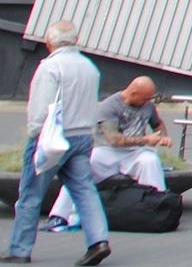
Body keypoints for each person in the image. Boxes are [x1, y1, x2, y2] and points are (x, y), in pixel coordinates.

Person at [6, 18, 111, 266]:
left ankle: (20, 249)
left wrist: (34, 135)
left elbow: (41, 109)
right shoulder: (89, 67)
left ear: (49, 42)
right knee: (84, 189)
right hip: (83, 136)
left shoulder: (50, 67)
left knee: (31, 193)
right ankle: (99, 240)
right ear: (76, 41)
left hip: (53, 138)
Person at [53, 75, 171, 230]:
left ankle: (158, 208)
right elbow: (114, 140)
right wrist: (146, 140)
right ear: (133, 93)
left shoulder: (148, 105)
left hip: (136, 152)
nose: (147, 102)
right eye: (145, 98)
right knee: (82, 167)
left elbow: (157, 123)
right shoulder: (109, 106)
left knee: (150, 161)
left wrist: (163, 136)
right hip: (106, 150)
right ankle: (60, 215)